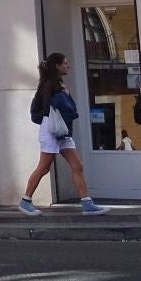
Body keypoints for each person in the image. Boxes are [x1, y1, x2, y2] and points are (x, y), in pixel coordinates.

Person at [19, 53, 108, 216]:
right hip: (52, 130)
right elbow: (63, 108)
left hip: (62, 131)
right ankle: (25, 201)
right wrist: (65, 95)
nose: (68, 66)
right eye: (65, 63)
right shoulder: (50, 84)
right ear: (57, 66)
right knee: (44, 167)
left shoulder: (56, 83)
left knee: (77, 166)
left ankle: (87, 203)